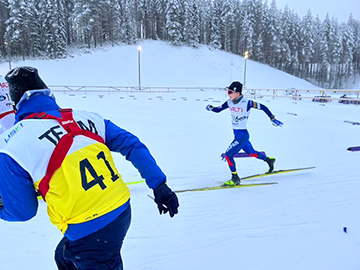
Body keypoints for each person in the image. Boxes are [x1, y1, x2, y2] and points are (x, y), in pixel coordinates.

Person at [0, 66, 179, 270]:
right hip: (120, 211)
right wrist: (159, 184)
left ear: (16, 105)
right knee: (64, 258)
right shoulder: (86, 117)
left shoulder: (11, 144)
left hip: (88, 228)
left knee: (83, 256)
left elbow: (23, 211)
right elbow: (132, 144)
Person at [206, 81, 283, 186]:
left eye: (230, 92)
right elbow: (218, 110)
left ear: (237, 93)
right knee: (251, 153)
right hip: (238, 135)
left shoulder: (247, 103)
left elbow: (263, 107)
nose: (228, 94)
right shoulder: (229, 102)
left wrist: (272, 118)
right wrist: (211, 108)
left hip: (242, 135)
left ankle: (235, 178)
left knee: (228, 155)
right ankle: (269, 161)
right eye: (227, 91)